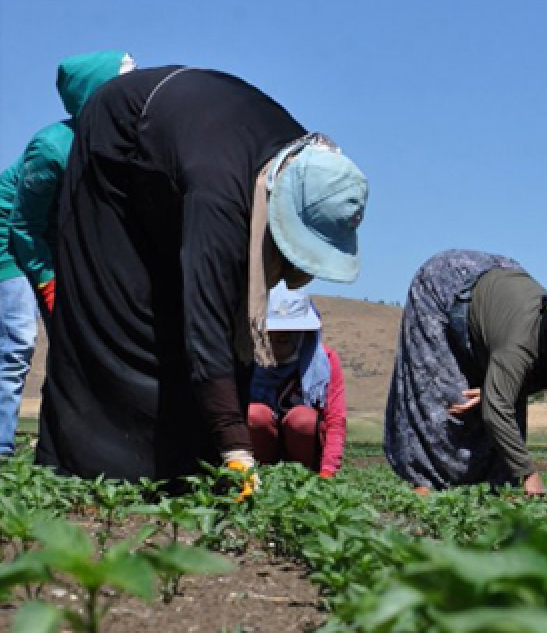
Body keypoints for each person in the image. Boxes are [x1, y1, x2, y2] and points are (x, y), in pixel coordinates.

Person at [36, 65, 369, 494]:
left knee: (183, 333)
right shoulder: (221, 192)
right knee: (125, 324)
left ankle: (187, 472)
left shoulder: (307, 161)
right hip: (117, 145)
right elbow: (208, 317)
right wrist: (235, 448)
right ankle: (89, 473)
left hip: (181, 146)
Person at [385, 249, 547, 496]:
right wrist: (529, 473)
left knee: (503, 397)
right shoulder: (521, 341)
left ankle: (503, 491)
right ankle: (425, 485)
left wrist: (491, 391)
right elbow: (497, 410)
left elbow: (514, 389)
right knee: (446, 398)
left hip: (497, 285)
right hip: (445, 285)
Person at [0, 49, 134, 458]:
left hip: (53, 241)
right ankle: (2, 449)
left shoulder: (118, 140)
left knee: (74, 342)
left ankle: (59, 446)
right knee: (18, 340)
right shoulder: (53, 147)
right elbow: (24, 226)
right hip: (10, 240)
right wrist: (47, 280)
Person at [248, 284, 347, 477]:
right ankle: (259, 475)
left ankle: (304, 477)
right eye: (268, 339)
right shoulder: (251, 360)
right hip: (265, 449)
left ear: (300, 335)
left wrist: (328, 472)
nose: (274, 348)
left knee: (302, 420)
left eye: (283, 340)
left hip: (305, 450)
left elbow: (335, 420)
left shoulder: (325, 361)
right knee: (255, 414)